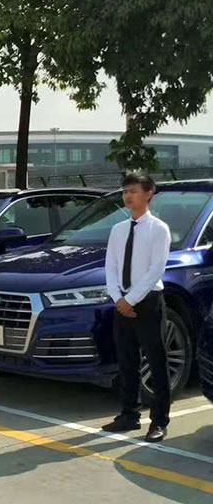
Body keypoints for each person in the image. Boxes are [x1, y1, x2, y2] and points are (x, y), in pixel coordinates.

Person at [103, 172, 172, 443]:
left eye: (133, 191)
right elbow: (110, 266)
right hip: (121, 303)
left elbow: (156, 269)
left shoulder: (159, 229)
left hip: (148, 302)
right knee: (127, 361)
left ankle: (159, 421)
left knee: (156, 362)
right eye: (125, 192)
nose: (127, 196)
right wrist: (117, 298)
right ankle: (129, 414)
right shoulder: (118, 230)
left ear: (148, 194)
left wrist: (130, 300)